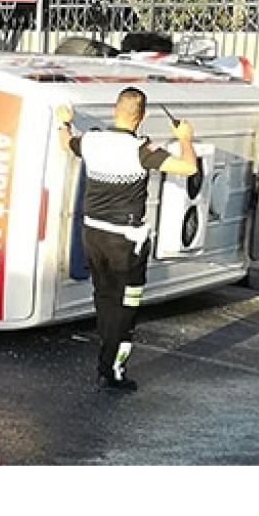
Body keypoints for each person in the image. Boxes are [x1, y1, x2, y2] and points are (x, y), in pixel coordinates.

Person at [56, 87, 197, 392]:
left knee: (104, 297)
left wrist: (64, 121)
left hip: (92, 234)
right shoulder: (142, 151)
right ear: (141, 117)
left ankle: (105, 357)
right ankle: (113, 370)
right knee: (127, 305)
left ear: (114, 110)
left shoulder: (91, 141)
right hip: (126, 242)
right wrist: (185, 138)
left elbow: (66, 142)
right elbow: (189, 167)